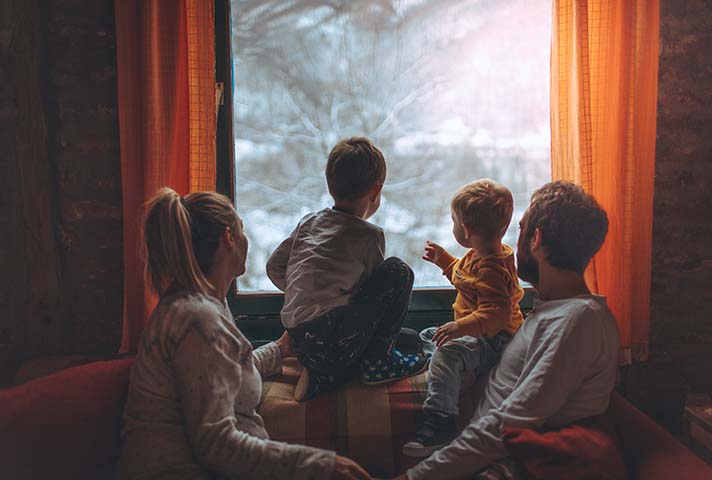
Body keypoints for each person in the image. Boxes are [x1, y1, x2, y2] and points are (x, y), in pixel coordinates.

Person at [117, 188, 371, 480]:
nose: (245, 239)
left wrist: (278, 349)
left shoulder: (207, 305)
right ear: (228, 238)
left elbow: (224, 372)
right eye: (241, 229)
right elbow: (217, 444)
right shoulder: (197, 320)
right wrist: (324, 466)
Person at [401, 181, 619, 479]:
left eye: (520, 229)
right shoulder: (549, 314)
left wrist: (414, 477)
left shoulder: (579, 320)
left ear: (536, 239)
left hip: (505, 467)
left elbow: (509, 423)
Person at [266, 137, 427, 402]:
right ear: (376, 191)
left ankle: (322, 375)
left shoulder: (309, 222)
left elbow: (274, 267)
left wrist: (306, 292)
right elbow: (376, 301)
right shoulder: (368, 235)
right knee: (399, 271)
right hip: (334, 340)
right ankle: (377, 365)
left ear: (330, 184)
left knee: (409, 339)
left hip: (300, 341)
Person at [403, 179, 524, 457]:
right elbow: (468, 279)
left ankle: (441, 421)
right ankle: (457, 371)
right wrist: (445, 261)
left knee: (446, 352)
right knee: (429, 335)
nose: (453, 226)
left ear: (466, 230)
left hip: (494, 340)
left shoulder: (492, 266)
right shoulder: (483, 254)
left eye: (453, 221)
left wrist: (460, 326)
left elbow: (495, 314)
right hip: (479, 334)